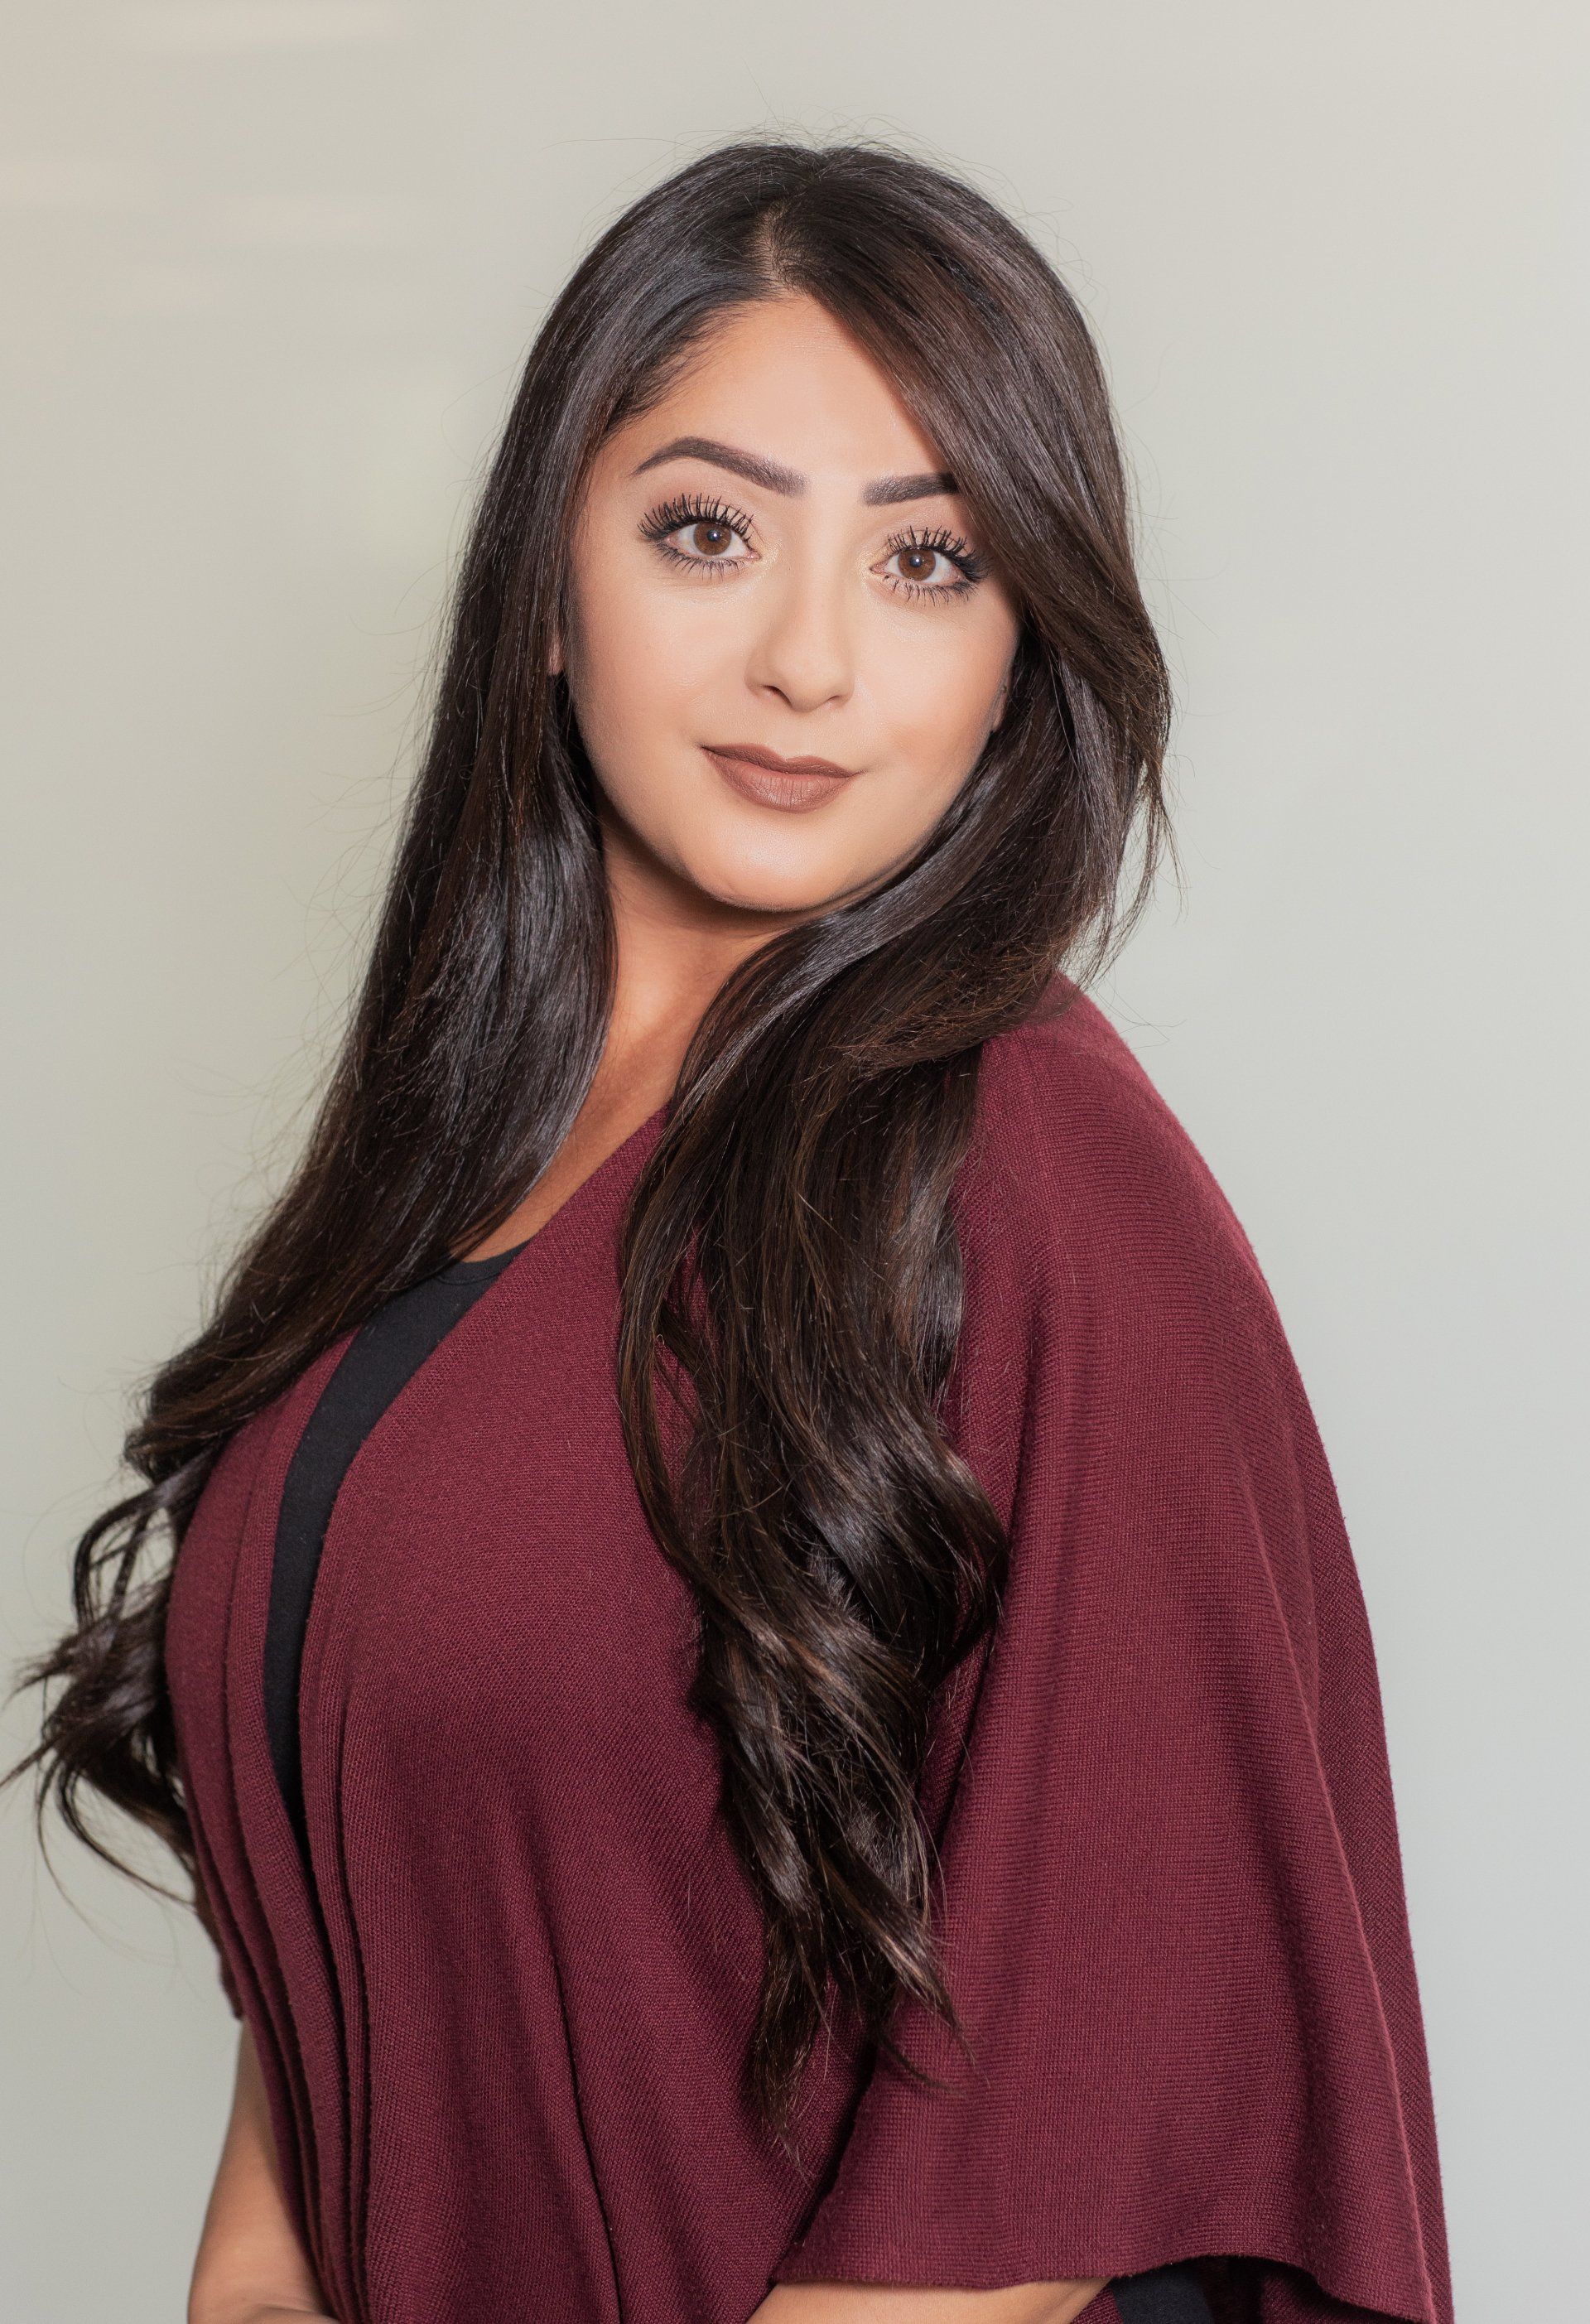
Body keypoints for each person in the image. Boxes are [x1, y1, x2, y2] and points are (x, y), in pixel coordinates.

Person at [7, 138, 1454, 2324]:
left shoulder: (1033, 1161)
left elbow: (1057, 2146)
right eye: (708, 530)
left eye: (929, 562)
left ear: (1014, 654)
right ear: (550, 586)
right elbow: (346, 1983)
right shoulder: (441, 1175)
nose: (807, 660)